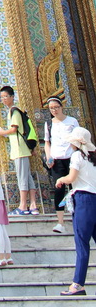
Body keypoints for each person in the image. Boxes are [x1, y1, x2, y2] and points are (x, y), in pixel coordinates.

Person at [55, 126, 96, 296]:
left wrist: (61, 179)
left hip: (84, 200)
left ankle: (78, 283)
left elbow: (71, 178)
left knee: (82, 243)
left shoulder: (77, 156)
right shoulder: (93, 158)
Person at [0, 85, 38, 215]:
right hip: (20, 149)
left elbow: (14, 129)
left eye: (6, 96)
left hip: (20, 149)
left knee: (22, 177)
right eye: (1, 97)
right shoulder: (12, 111)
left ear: (12, 97)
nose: (4, 99)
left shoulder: (14, 111)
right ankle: (33, 205)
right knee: (28, 177)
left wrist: (2, 132)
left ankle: (23, 206)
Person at [43, 95, 78, 233]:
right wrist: (48, 157)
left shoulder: (72, 121)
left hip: (71, 158)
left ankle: (78, 217)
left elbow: (77, 138)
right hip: (57, 160)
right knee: (59, 190)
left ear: (61, 107)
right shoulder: (49, 124)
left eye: (56, 107)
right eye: (51, 108)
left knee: (75, 188)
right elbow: (47, 142)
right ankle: (60, 222)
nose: (54, 111)